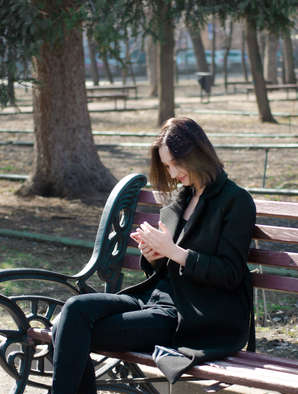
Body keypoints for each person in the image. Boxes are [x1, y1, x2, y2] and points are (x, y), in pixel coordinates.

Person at [51, 116, 256, 394]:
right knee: (74, 309)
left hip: (190, 316)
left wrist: (174, 251)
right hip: (151, 299)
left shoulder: (236, 201)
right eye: (167, 166)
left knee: (67, 331)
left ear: (197, 154)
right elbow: (160, 269)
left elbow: (230, 274)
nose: (172, 174)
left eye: (175, 163)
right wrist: (153, 254)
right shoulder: (178, 201)